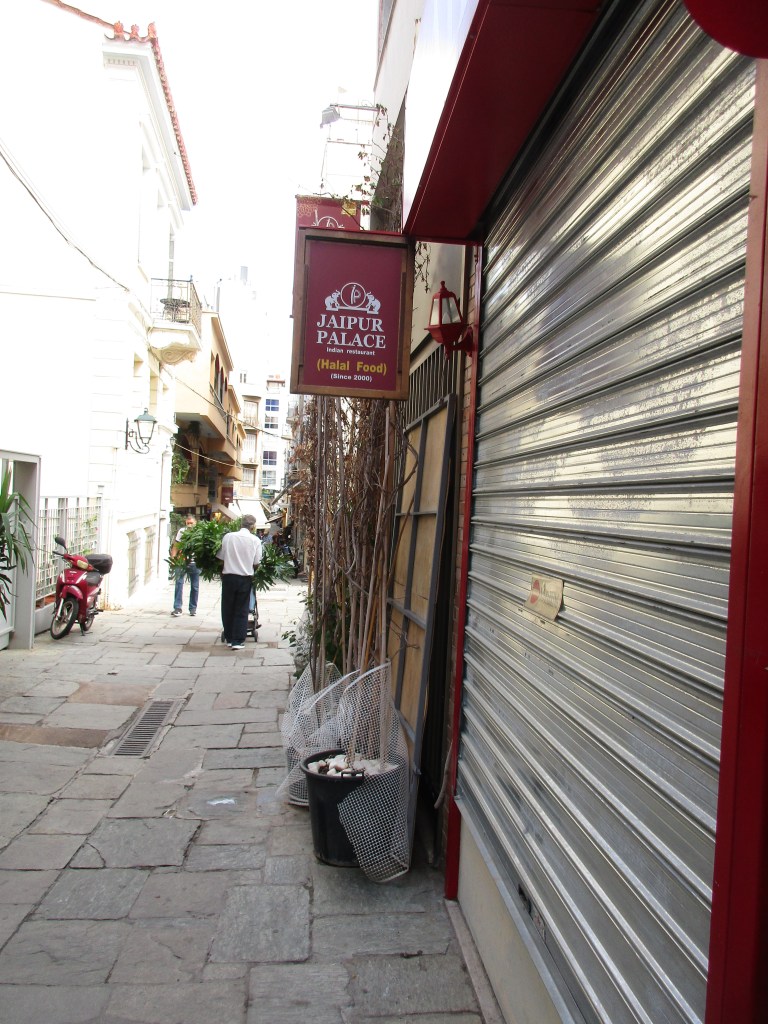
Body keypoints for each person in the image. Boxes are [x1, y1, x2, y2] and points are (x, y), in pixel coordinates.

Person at [216, 514, 262, 650]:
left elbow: (221, 558)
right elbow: (257, 562)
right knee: (241, 608)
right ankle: (237, 640)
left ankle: (229, 637)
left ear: (241, 524)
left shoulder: (228, 537)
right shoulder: (255, 540)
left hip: (228, 576)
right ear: (253, 526)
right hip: (244, 578)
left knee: (227, 608)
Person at [171, 515, 199, 617]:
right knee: (179, 584)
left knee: (195, 586)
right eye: (188, 523)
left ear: (195, 523)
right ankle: (177, 608)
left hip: (195, 563)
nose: (189, 525)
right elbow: (176, 546)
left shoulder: (199, 532)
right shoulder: (182, 531)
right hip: (181, 562)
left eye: (191, 523)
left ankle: (193, 608)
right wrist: (173, 559)